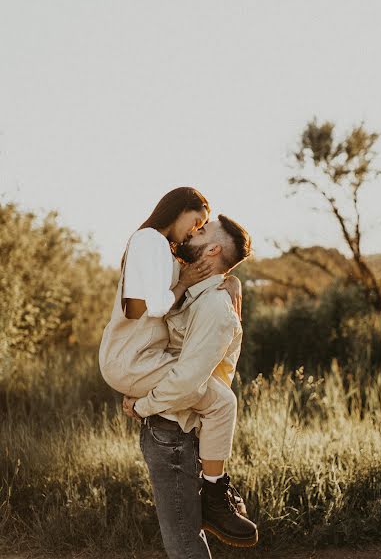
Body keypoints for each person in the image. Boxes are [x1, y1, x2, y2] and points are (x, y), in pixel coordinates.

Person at [123, 215, 258, 557]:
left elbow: (186, 382)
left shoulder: (214, 306)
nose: (193, 232)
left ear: (212, 249)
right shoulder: (196, 292)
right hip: (170, 424)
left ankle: (215, 494)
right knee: (185, 540)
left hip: (174, 428)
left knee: (183, 544)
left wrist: (141, 406)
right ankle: (215, 494)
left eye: (202, 231)